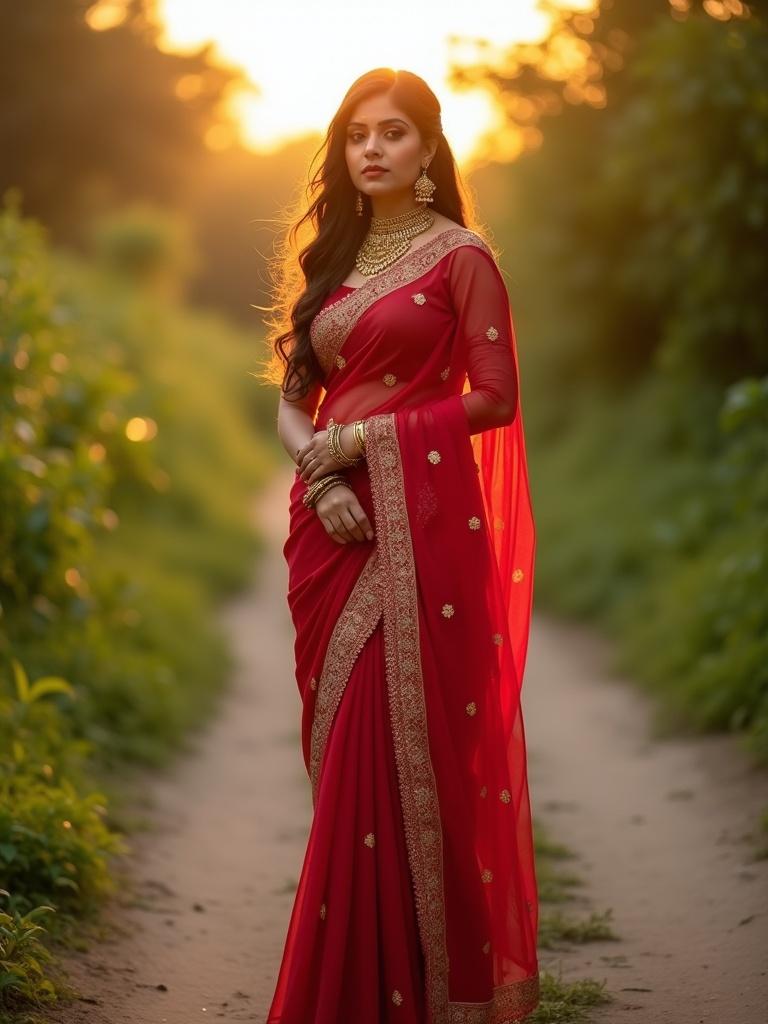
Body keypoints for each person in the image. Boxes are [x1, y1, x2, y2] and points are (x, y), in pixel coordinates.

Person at [261, 66, 539, 1024]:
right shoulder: (332, 262)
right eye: (355, 135)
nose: (371, 149)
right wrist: (323, 474)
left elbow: (496, 397)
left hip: (416, 524)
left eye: (393, 133)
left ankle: (411, 990)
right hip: (332, 525)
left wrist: (368, 442)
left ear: (427, 152)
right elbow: (294, 408)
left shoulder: (462, 258)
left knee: (395, 748)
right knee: (342, 746)